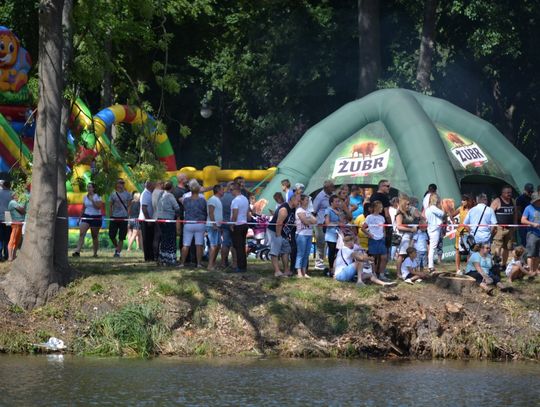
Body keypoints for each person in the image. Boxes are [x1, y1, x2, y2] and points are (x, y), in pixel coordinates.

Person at [268, 194, 298, 277]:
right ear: (292, 200)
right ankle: (277, 271)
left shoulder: (294, 208)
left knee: (286, 250)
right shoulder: (284, 209)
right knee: (275, 251)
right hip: (275, 231)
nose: (299, 202)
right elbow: (279, 223)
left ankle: (286, 270)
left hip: (284, 233)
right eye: (298, 201)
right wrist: (278, 236)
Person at [180, 179, 207, 268]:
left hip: (188, 223)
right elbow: (205, 210)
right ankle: (199, 263)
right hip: (200, 223)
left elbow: (183, 206)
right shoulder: (203, 200)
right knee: (199, 245)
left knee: (186, 244)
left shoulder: (186, 200)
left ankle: (182, 263)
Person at [73, 182, 103, 257]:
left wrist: (92, 200)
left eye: (90, 187)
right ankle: (77, 251)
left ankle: (95, 253)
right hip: (86, 216)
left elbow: (98, 207)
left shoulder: (97, 196)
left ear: (93, 188)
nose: (88, 188)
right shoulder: (85, 197)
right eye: (87, 187)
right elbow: (83, 208)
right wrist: (79, 218)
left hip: (96, 217)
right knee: (82, 233)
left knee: (94, 236)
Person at [369, 180, 392, 276]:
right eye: (387, 186)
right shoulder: (384, 197)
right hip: (382, 226)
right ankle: (381, 271)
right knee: (384, 252)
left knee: (374, 253)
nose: (389, 188)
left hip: (373, 227)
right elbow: (387, 214)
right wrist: (390, 224)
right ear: (381, 186)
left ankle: (374, 271)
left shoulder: (372, 196)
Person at [490, 185, 518, 267]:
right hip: (499, 228)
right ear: (502, 193)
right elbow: (489, 213)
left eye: (510, 192)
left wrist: (515, 223)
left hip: (510, 228)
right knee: (497, 246)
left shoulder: (513, 201)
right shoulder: (497, 201)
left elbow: (515, 213)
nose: (509, 194)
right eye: (507, 192)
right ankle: (496, 264)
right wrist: (493, 226)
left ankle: (504, 265)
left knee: (507, 247)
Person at [156, 181, 180, 266]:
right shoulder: (170, 196)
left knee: (163, 239)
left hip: (160, 219)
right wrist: (177, 215)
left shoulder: (161, 195)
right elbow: (177, 207)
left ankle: (162, 258)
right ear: (172, 188)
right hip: (168, 219)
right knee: (170, 239)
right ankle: (171, 259)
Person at [362, 200, 387, 279]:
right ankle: (373, 273)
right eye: (380, 207)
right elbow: (363, 228)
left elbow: (383, 227)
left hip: (381, 239)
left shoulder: (382, 217)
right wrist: (369, 234)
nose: (382, 209)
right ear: (375, 208)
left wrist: (384, 234)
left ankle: (381, 274)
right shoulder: (369, 217)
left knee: (384, 257)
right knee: (373, 258)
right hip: (373, 239)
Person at [313, 180, 335, 270]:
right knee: (321, 243)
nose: (333, 188)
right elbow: (314, 211)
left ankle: (324, 261)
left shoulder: (332, 195)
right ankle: (318, 263)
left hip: (329, 224)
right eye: (331, 187)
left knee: (329, 243)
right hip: (320, 224)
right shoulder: (320, 197)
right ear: (326, 188)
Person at [294, 194, 317, 278]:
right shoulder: (299, 210)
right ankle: (299, 272)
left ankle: (304, 272)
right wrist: (309, 220)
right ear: (302, 201)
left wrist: (308, 220)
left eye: (308, 200)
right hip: (301, 235)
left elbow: (315, 221)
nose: (308, 202)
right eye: (306, 200)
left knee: (306, 254)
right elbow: (305, 222)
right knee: (301, 253)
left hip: (309, 234)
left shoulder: (307, 211)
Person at [109, 178, 132, 257]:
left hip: (124, 217)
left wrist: (127, 215)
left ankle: (118, 253)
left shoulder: (128, 194)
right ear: (116, 184)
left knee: (121, 237)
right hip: (114, 217)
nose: (121, 184)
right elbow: (110, 206)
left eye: (122, 183)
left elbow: (129, 205)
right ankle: (117, 247)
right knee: (111, 235)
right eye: (119, 183)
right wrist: (111, 216)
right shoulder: (113, 194)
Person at [230, 182, 250, 272]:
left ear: (236, 190)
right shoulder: (245, 199)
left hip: (237, 225)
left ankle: (240, 267)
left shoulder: (235, 201)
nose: (230, 192)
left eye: (231, 190)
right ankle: (243, 266)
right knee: (242, 246)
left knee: (238, 247)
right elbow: (247, 213)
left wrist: (232, 224)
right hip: (244, 224)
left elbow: (235, 214)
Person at [395, 195, 418, 275]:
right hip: (403, 237)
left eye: (409, 204)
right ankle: (398, 273)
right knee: (401, 255)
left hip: (409, 236)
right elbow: (399, 226)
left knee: (407, 255)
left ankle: (406, 272)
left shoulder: (408, 213)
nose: (409, 206)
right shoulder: (399, 214)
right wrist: (410, 229)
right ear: (403, 205)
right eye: (407, 204)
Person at [452, 194, 474, 274]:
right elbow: (452, 215)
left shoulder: (473, 210)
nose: (462, 202)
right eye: (462, 200)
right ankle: (458, 269)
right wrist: (454, 222)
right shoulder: (460, 208)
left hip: (469, 233)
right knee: (458, 251)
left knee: (469, 252)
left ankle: (468, 269)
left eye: (464, 200)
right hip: (460, 233)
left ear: (468, 201)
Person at [425, 193, 445, 272]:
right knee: (432, 248)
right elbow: (442, 214)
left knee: (432, 247)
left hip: (431, 228)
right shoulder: (433, 208)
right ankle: (430, 266)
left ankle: (430, 265)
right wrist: (442, 206)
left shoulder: (428, 209)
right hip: (435, 229)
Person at [520, 192, 540, 273]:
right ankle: (530, 271)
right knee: (530, 254)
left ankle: (535, 270)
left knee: (538, 254)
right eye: (538, 200)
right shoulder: (528, 208)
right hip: (532, 234)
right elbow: (523, 220)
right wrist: (532, 224)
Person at [324, 194, 342, 276]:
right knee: (332, 252)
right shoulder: (328, 210)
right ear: (331, 203)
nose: (338, 203)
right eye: (336, 201)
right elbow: (327, 223)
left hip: (338, 234)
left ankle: (336, 268)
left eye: (338, 201)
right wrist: (337, 223)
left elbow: (342, 221)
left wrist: (339, 215)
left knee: (337, 252)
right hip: (331, 235)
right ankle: (331, 268)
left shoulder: (338, 210)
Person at [207, 184, 224, 270]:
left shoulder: (218, 200)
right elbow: (211, 212)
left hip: (217, 226)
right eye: (222, 189)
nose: (223, 191)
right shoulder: (212, 199)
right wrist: (214, 224)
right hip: (212, 226)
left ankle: (212, 263)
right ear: (218, 191)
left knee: (217, 245)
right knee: (213, 245)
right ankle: (210, 265)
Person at [139, 181, 156, 262]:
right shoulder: (145, 194)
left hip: (150, 219)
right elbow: (144, 208)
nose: (155, 185)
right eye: (154, 184)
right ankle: (147, 257)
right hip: (145, 220)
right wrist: (148, 219)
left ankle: (151, 256)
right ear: (150, 185)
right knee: (146, 239)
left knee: (150, 238)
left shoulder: (151, 193)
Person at [7, 191, 26, 261]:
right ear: (13, 196)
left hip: (20, 223)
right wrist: (23, 210)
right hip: (16, 223)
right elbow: (22, 210)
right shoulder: (12, 202)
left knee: (17, 240)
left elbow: (23, 210)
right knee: (13, 239)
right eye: (16, 195)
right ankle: (10, 257)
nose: (18, 196)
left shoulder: (17, 202)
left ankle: (14, 255)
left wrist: (23, 210)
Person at [220, 181, 235, 269]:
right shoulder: (235, 197)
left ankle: (223, 262)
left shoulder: (222, 197)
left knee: (225, 243)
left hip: (224, 222)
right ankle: (234, 263)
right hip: (233, 222)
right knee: (233, 244)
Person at [0, 181, 13, 260]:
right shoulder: (12, 193)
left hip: (0, 215)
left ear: (3, 186)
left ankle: (0, 255)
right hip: (8, 215)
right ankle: (6, 254)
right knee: (7, 236)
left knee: (0, 237)